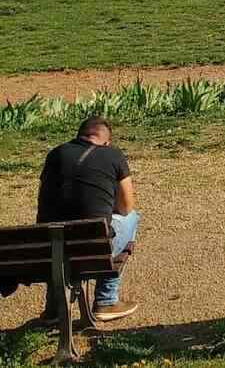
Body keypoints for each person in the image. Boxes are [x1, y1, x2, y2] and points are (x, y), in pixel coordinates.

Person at [36, 117, 141, 323]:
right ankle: (106, 300)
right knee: (133, 217)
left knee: (56, 228)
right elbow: (126, 206)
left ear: (78, 137)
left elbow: (44, 201)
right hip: (93, 247)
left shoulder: (55, 154)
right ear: (107, 142)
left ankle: (55, 306)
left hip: (50, 248)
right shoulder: (113, 155)